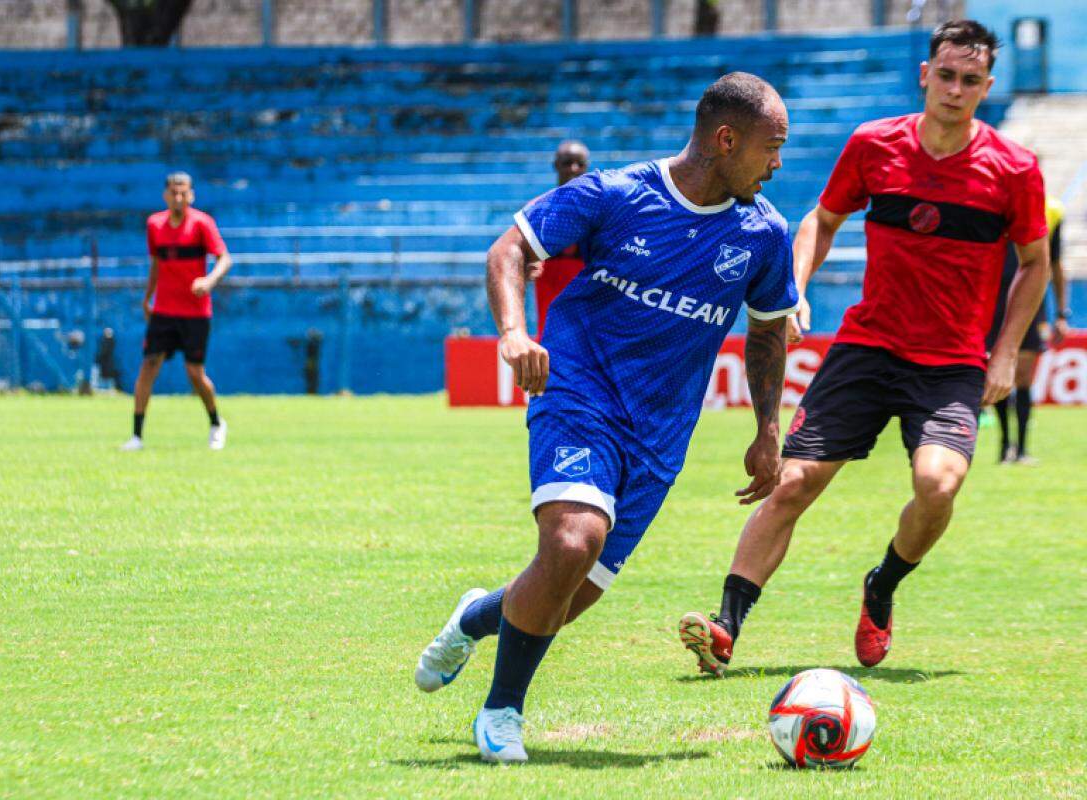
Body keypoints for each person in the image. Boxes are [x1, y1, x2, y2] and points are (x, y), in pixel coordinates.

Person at [414, 72, 799, 763]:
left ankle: (475, 615)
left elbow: (769, 332)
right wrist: (512, 334)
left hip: (661, 434)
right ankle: (502, 713)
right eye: (772, 147)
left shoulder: (765, 233)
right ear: (725, 139)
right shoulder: (616, 194)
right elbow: (510, 250)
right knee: (570, 544)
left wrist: (767, 429)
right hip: (579, 394)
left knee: (567, 597)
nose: (778, 163)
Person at [678, 20, 1050, 676]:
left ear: (987, 87)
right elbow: (821, 218)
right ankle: (726, 627)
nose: (955, 89)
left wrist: (1004, 351)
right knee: (793, 481)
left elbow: (1034, 263)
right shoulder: (874, 144)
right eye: (946, 75)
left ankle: (881, 586)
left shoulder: (1014, 169)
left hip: (953, 362)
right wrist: (795, 289)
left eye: (970, 80)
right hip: (868, 348)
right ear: (924, 75)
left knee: (937, 484)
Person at [121, 172, 232, 451]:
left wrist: (209, 281)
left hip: (195, 312)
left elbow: (225, 258)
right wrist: (148, 298)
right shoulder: (155, 225)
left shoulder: (202, 224)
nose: (179, 197)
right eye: (174, 192)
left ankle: (216, 423)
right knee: (148, 366)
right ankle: (137, 436)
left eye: (184, 192)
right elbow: (156, 264)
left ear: (191, 195)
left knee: (194, 373)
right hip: (164, 310)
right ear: (166, 195)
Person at [989, 197, 1068, 464]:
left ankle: (1021, 449)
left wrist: (1061, 313)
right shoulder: (990, 204)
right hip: (993, 300)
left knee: (1023, 376)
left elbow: (1055, 263)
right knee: (998, 372)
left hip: (1031, 301)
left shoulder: (1051, 211)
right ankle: (1004, 446)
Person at [531, 140, 591, 339]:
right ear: (555, 165)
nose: (574, 169)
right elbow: (520, 255)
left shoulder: (599, 212)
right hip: (551, 315)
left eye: (580, 164)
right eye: (567, 162)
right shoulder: (539, 209)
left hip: (589, 315)